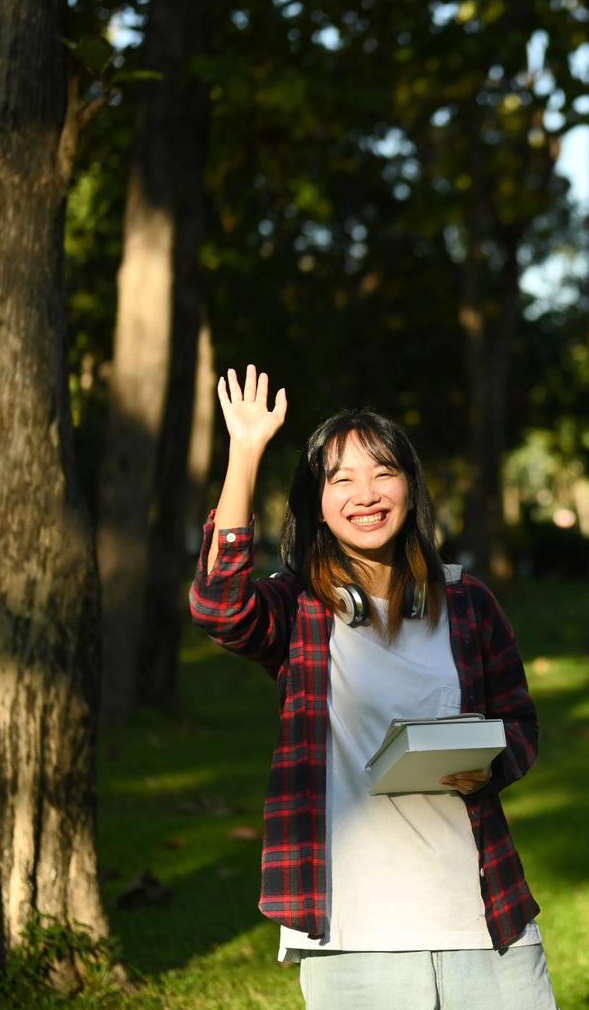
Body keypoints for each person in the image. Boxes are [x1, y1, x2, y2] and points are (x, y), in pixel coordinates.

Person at [189, 367, 556, 1009]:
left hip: (483, 916)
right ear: (319, 503)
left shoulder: (468, 603)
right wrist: (244, 451)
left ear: (411, 488)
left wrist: (491, 765)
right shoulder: (299, 607)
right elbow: (220, 607)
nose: (367, 493)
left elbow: (520, 723)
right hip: (354, 930)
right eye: (341, 478)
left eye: (384, 472)